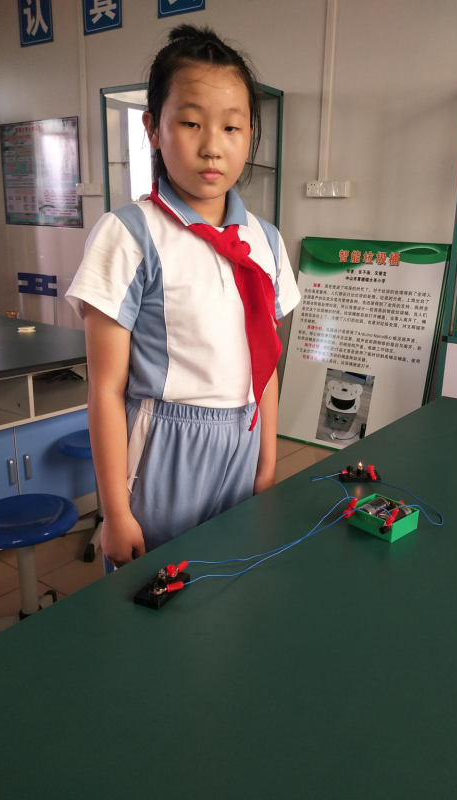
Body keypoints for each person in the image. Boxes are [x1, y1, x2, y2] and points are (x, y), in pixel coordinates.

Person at [66, 24, 300, 569]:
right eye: (191, 123)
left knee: (232, 586)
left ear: (250, 134)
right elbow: (105, 388)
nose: (212, 146)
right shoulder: (128, 235)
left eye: (232, 127)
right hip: (163, 451)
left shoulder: (265, 240)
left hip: (243, 443)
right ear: (153, 127)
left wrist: (266, 464)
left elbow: (265, 366)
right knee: (153, 596)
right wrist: (115, 513)